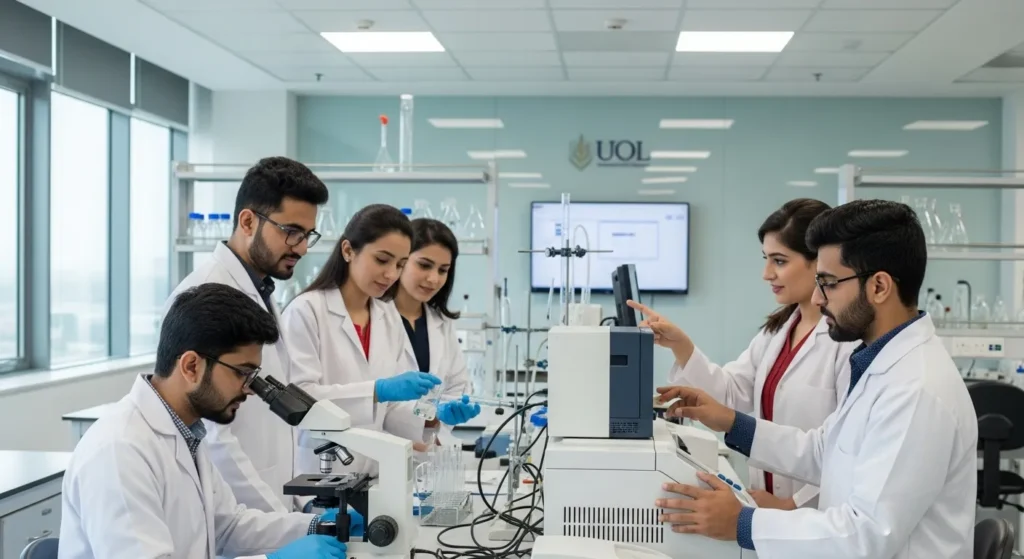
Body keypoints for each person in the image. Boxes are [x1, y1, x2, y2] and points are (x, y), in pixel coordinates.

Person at [656, 199, 977, 559]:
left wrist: (744, 524)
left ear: (880, 287)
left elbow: (866, 534)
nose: (816, 297)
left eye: (827, 283)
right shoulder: (879, 364)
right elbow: (824, 451)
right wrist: (732, 422)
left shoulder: (916, 390)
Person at [60, 284, 350, 559]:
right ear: (191, 366)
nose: (249, 388)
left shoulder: (186, 432)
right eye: (241, 373)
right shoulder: (119, 451)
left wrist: (316, 525)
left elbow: (228, 526)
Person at [627, 198, 857, 510]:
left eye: (779, 261)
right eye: (766, 259)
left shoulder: (847, 342)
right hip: (768, 506)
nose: (766, 273)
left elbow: (848, 447)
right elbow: (732, 394)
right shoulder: (779, 330)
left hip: (817, 513)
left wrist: (792, 504)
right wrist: (682, 346)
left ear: (819, 262)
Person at [164, 156, 329, 512]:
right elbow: (214, 436)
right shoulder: (203, 295)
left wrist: (296, 514)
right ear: (248, 221)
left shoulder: (261, 289)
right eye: (291, 231)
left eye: (308, 235)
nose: (301, 247)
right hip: (237, 511)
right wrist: (282, 523)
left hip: (269, 502)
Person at [282, 204, 476, 476]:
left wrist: (433, 417)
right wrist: (377, 390)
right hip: (318, 470)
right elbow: (299, 399)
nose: (391, 274)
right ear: (348, 250)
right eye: (382, 260)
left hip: (373, 472)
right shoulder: (307, 311)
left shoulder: (386, 315)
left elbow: (391, 409)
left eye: (400, 264)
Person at [385, 218, 481, 448]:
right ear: (402, 261)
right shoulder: (378, 317)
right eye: (424, 265)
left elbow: (457, 386)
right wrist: (427, 418)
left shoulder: (441, 323)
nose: (433, 278)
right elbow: (377, 400)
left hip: (431, 452)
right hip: (385, 451)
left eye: (443, 270)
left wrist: (446, 413)